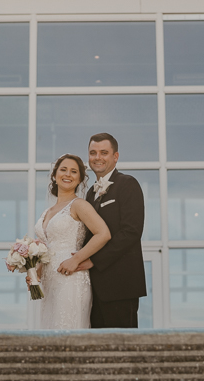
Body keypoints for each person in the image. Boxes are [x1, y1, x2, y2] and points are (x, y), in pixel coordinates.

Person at [33, 153, 111, 329]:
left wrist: (76, 259)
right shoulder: (47, 212)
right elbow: (46, 246)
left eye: (74, 172)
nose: (68, 174)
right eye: (63, 170)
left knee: (67, 329)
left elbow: (103, 233)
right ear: (54, 175)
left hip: (71, 279)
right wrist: (36, 268)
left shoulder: (79, 205)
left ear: (80, 180)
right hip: (49, 281)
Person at [77, 132, 147, 328]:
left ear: (115, 156)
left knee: (122, 349)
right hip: (94, 289)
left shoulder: (128, 184)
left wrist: (93, 260)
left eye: (104, 152)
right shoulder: (90, 193)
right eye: (93, 153)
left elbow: (131, 232)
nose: (97, 157)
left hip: (121, 286)